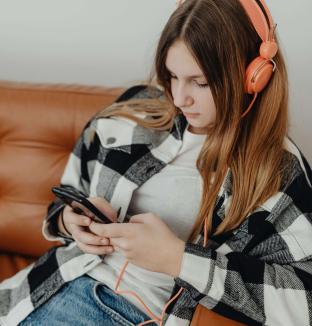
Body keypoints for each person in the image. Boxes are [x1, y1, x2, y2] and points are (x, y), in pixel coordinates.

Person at [1, 0, 312, 325]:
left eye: (200, 82)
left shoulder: (278, 173)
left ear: (254, 77)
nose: (179, 98)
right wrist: (70, 222)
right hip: (39, 291)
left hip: (126, 315)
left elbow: (304, 301)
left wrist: (177, 259)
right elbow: (66, 194)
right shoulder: (133, 112)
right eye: (173, 76)